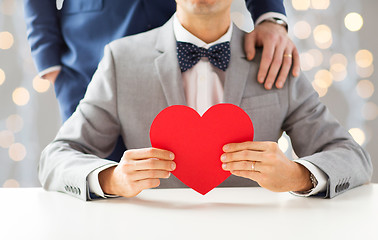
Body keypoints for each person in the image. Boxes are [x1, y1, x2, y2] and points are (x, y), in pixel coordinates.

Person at [40, 0, 372, 201]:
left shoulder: (274, 60)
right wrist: (110, 179)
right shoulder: (121, 61)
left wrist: (298, 175)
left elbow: (353, 158)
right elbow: (55, 158)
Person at [24, 0, 299, 122]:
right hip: (87, 55)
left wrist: (269, 16)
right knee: (96, 178)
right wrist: (48, 60)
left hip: (185, 40)